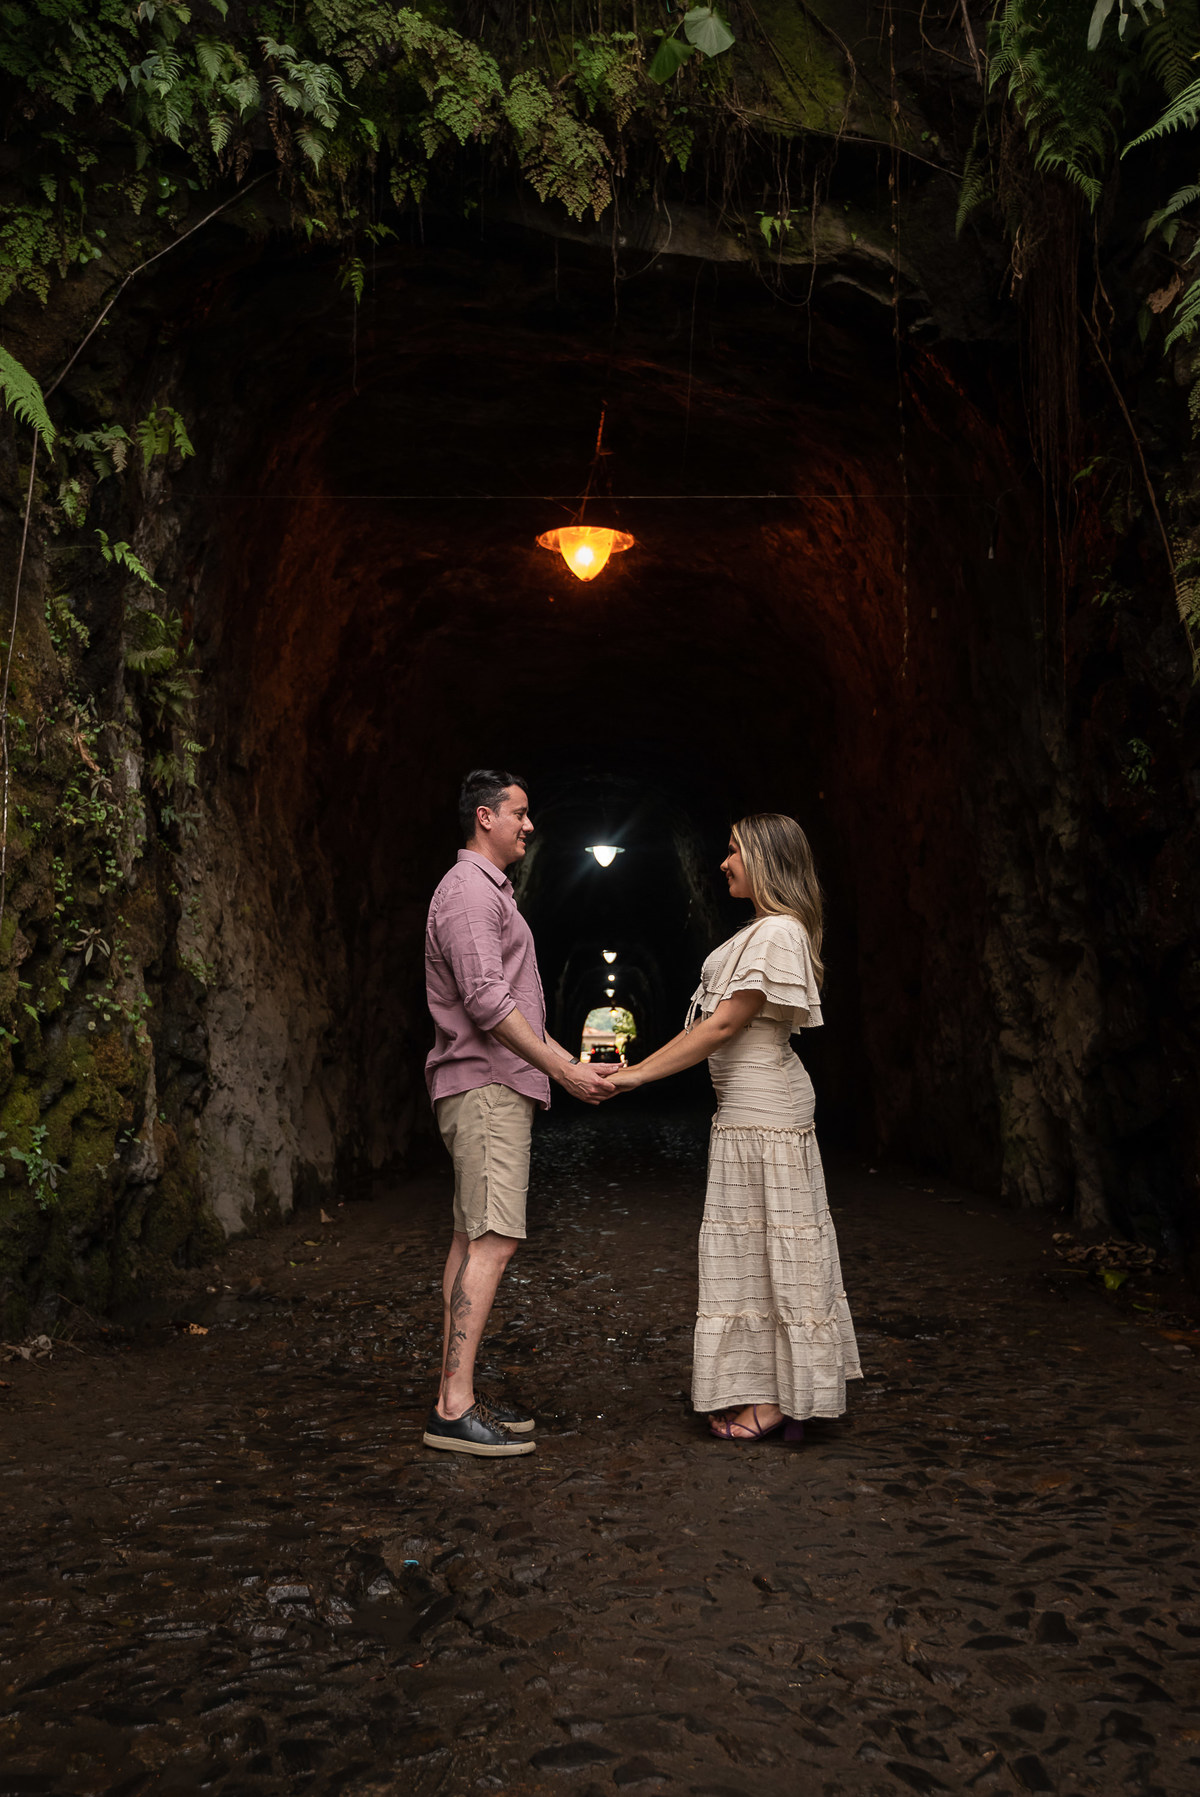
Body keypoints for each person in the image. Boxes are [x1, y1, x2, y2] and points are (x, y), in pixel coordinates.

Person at [599, 813, 861, 1440]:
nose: (724, 862)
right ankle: (770, 1388)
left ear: (767, 859)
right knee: (755, 1252)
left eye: (735, 850)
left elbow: (720, 1027)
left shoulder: (779, 932)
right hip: (744, 1113)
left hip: (767, 1112)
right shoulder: (760, 931)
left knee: (780, 1250)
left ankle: (783, 1404)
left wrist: (633, 1076)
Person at [422, 769, 614, 1458]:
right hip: (486, 1087)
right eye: (520, 813)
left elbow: (513, 1003)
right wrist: (562, 1067)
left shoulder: (483, 892)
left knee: (469, 1237)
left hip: (487, 1083)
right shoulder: (472, 892)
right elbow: (485, 1000)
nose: (529, 826)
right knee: (493, 1238)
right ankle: (452, 1407)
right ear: (485, 817)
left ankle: (458, 1390)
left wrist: (565, 1059)